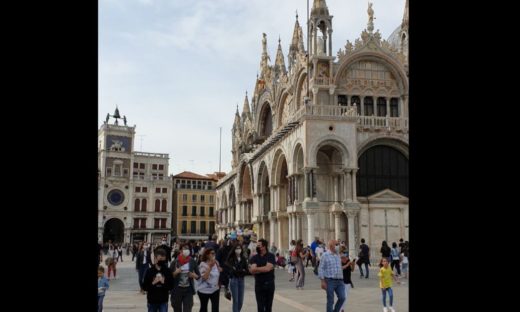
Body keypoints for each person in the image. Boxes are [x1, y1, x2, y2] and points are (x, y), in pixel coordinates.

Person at [171, 243, 200, 312]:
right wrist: (176, 272)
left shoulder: (192, 261)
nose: (186, 250)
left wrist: (193, 275)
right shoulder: (175, 262)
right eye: (184, 249)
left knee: (187, 310)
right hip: (177, 290)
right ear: (180, 251)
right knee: (177, 309)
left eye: (188, 249)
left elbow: (198, 276)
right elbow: (169, 277)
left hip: (188, 290)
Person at [143, 248, 174, 312]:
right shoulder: (150, 271)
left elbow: (171, 286)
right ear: (155, 258)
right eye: (160, 259)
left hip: (163, 300)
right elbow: (144, 287)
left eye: (163, 260)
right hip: (152, 300)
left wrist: (163, 282)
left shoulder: (168, 271)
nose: (161, 262)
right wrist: (153, 283)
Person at [318, 239, 346, 312]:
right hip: (330, 280)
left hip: (340, 280)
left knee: (342, 297)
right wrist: (322, 281)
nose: (338, 246)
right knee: (330, 300)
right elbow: (321, 268)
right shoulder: (325, 255)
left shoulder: (338, 255)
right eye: (336, 244)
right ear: (331, 246)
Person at [249, 238, 276, 312]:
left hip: (269, 284)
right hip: (259, 285)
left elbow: (267, 268)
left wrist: (257, 269)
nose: (257, 247)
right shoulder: (254, 257)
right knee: (260, 307)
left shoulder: (271, 256)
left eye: (259, 246)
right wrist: (264, 268)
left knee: (268, 307)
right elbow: (252, 270)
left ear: (264, 246)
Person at [225, 242, 249, 312]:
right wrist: (240, 270)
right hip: (234, 280)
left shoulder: (243, 258)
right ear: (234, 249)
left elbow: (246, 270)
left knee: (240, 301)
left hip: (241, 280)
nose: (238, 250)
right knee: (235, 300)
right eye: (236, 248)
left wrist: (239, 270)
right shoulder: (231, 259)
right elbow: (232, 270)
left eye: (239, 248)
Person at [197, 248, 222, 312]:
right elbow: (205, 277)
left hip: (215, 290)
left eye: (214, 253)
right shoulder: (202, 264)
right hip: (204, 291)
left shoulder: (216, 262)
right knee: (203, 308)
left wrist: (220, 270)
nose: (214, 255)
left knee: (215, 309)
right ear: (207, 255)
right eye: (212, 253)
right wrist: (210, 267)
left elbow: (218, 274)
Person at [339, 247, 355, 312]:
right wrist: (347, 264)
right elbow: (341, 268)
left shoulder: (348, 261)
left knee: (345, 297)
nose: (344, 258)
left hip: (347, 281)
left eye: (345, 256)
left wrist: (353, 264)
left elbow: (352, 270)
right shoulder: (339, 261)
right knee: (342, 297)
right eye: (342, 257)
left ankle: (341, 309)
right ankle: (340, 309)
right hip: (340, 281)